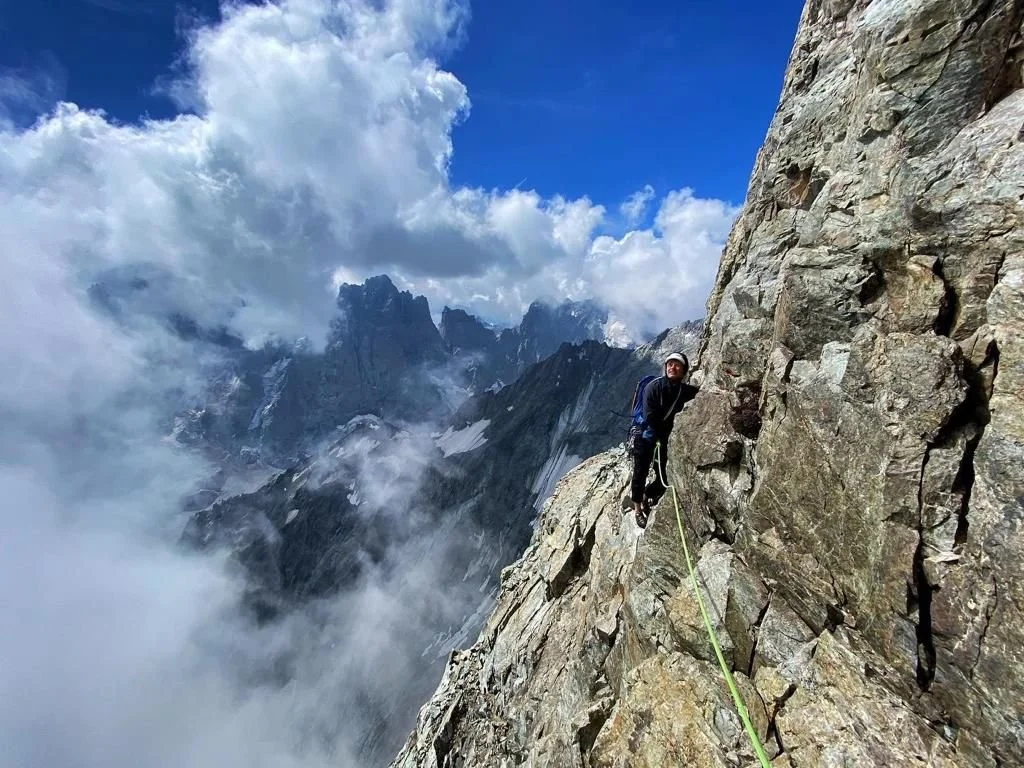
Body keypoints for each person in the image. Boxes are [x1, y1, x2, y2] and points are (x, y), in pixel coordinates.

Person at [629, 352, 698, 527]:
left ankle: (646, 495)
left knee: (664, 478)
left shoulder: (684, 391)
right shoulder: (653, 387)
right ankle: (637, 509)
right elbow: (649, 415)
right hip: (645, 436)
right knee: (640, 472)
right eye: (670, 364)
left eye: (677, 365)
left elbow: (701, 394)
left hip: (664, 439)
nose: (672, 368)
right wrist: (664, 435)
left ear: (683, 371)